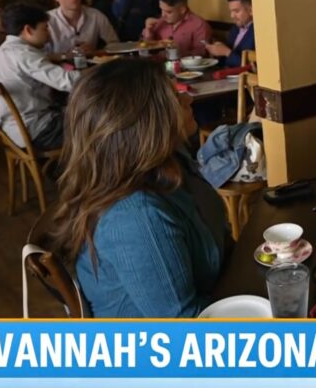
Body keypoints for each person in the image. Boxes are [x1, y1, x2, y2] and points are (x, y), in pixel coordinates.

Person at [51, 59, 228, 317]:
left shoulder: (166, 165)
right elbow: (183, 328)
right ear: (147, 124)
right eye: (175, 98)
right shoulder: (137, 216)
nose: (188, 99)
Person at [0, 4, 81, 151]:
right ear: (28, 30)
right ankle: (86, 170)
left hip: (14, 130)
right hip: (37, 131)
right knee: (101, 123)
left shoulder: (7, 49)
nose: (49, 33)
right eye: (45, 28)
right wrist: (104, 70)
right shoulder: (22, 53)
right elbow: (69, 82)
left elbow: (40, 60)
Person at [45, 0, 118, 56]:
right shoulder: (47, 20)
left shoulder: (95, 15)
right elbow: (40, 55)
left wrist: (94, 52)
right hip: (59, 66)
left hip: (91, 64)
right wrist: (66, 56)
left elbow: (114, 44)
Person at [142, 0, 211, 57]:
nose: (163, 15)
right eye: (161, 10)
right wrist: (148, 31)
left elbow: (201, 53)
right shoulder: (160, 21)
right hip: (157, 64)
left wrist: (176, 54)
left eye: (168, 12)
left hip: (184, 65)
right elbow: (147, 48)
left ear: (182, 10)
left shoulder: (199, 25)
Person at [204, 0, 255, 68]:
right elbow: (226, 58)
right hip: (225, 75)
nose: (232, 16)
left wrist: (226, 52)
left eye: (236, 11)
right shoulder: (235, 28)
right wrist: (217, 51)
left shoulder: (258, 31)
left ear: (251, 10)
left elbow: (253, 67)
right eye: (231, 11)